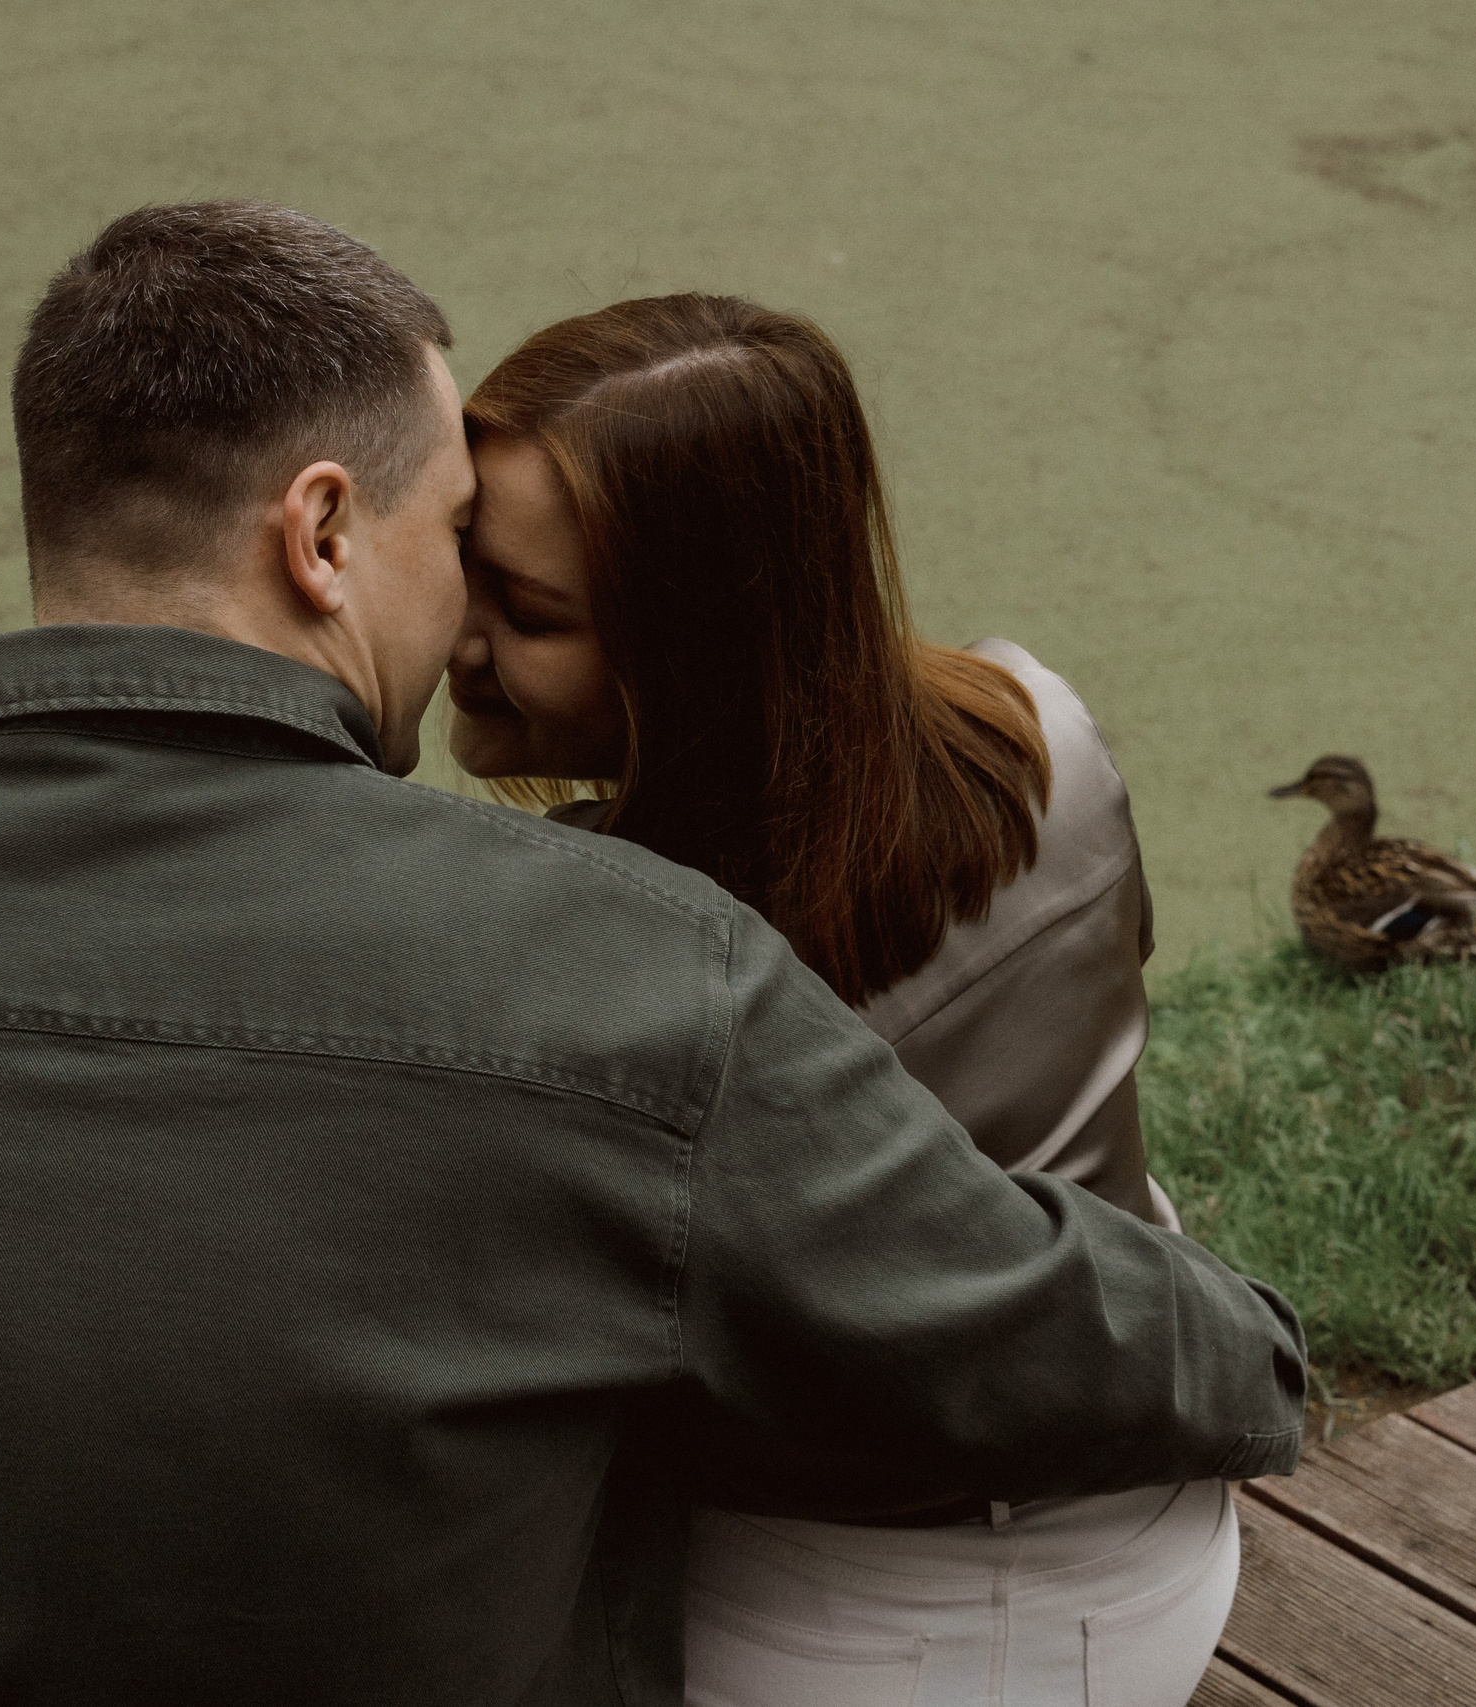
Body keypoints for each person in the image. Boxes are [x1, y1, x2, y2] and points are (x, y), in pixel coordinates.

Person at [0, 202, 1306, 1707]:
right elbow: (1026, 1319)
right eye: (453, 534)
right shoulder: (618, 959)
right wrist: (1246, 1344)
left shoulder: (620, 952)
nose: (462, 620)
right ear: (322, 537)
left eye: (513, 587)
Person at [442, 295, 1229, 1706]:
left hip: (862, 1623)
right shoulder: (1042, 731)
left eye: (532, 611)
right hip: (1150, 1515)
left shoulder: (604, 941)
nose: (459, 637)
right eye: (458, 562)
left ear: (697, 647)